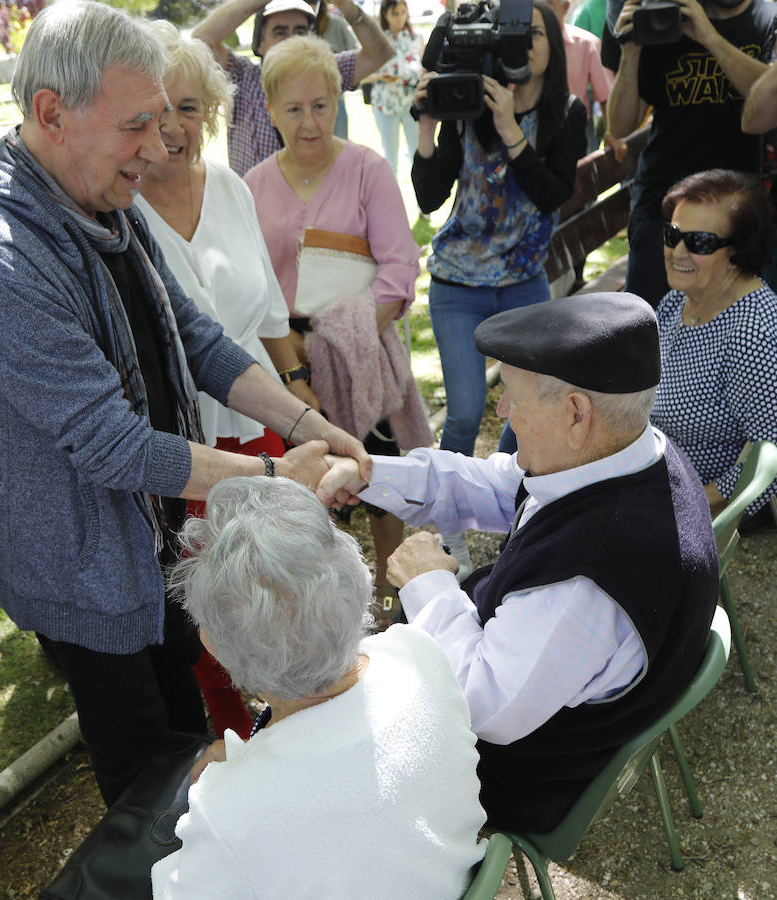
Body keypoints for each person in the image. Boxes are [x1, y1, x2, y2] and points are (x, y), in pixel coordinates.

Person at [0, 0, 366, 808]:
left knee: (189, 737)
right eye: (136, 125)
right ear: (51, 113)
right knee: (145, 780)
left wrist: (311, 419)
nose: (158, 146)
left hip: (153, 532)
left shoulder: (101, 198)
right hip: (81, 567)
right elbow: (110, 445)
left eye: (163, 120)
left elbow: (196, 337)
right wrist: (274, 477)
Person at [318, 291, 719, 833]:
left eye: (510, 395)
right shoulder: (634, 453)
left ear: (576, 414)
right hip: (521, 702)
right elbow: (498, 483)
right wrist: (373, 476)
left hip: (502, 777)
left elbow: (482, 708)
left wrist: (430, 584)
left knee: (316, 748)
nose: (501, 411)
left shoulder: (586, 581)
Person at [150, 475, 487, 899]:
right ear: (355, 582)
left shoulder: (229, 814)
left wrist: (232, 785)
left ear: (216, 648)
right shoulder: (420, 653)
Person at [135, 21, 319, 739]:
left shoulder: (234, 190)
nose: (174, 128)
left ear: (211, 114)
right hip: (180, 444)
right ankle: (233, 730)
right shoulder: (119, 214)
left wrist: (305, 405)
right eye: (155, 111)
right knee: (206, 595)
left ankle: (306, 705)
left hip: (259, 421)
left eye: (189, 108)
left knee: (287, 571)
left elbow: (271, 315)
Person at [245, 36, 429, 619]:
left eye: (321, 104)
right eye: (294, 108)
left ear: (339, 101)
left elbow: (400, 268)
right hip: (282, 352)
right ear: (270, 111)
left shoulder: (366, 169)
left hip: (359, 347)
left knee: (374, 472)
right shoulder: (249, 185)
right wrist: (294, 354)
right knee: (303, 485)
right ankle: (324, 605)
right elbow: (253, 281)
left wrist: (341, 343)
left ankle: (390, 586)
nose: (308, 121)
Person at [412, 0, 586, 574]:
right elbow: (430, 198)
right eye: (513, 35)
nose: (522, 45)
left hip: (523, 284)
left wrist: (512, 128)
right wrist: (429, 127)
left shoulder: (568, 113)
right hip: (458, 282)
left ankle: (511, 513)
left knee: (525, 415)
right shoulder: (469, 107)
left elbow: (550, 194)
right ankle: (449, 530)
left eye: (533, 34)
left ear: (553, 45)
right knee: (463, 413)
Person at [606, 0, 777, 307]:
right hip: (662, 208)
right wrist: (629, 54)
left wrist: (709, 37)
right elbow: (619, 126)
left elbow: (769, 101)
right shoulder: (670, 19)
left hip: (733, 219)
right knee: (649, 330)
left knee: (731, 332)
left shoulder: (767, 18)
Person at [651, 169, 777, 518]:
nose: (677, 251)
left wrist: (691, 501)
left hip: (691, 509)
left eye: (700, 242)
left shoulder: (753, 334)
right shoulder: (678, 301)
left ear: (738, 252)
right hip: (653, 482)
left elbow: (771, 454)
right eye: (672, 234)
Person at [192, 0, 392, 175]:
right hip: (251, 209)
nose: (291, 39)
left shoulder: (325, 72)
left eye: (300, 31)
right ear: (260, 44)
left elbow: (380, 53)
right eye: (280, 32)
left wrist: (346, 6)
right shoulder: (243, 77)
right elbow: (202, 39)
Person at [546, 0, 623, 158]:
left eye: (548, 3)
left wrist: (611, 133)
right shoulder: (524, 46)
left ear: (565, 6)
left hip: (574, 132)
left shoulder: (586, 43)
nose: (540, 9)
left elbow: (606, 96)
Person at [363, 0, 424, 176]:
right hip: (385, 103)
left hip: (412, 104)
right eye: (394, 13)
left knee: (417, 154)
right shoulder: (378, 41)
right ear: (385, 15)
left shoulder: (416, 39)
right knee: (390, 158)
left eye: (402, 12)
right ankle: (391, 200)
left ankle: (421, 201)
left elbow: (425, 69)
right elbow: (362, 75)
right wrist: (381, 77)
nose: (399, 18)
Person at [317, 3, 358, 138]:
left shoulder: (336, 25)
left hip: (334, 101)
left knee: (338, 153)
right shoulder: (294, 25)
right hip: (299, 103)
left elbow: (358, 58)